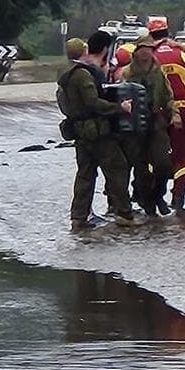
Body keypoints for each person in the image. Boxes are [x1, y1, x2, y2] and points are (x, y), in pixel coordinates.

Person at [58, 30, 139, 231]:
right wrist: (120, 108)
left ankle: (79, 217)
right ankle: (124, 213)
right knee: (117, 168)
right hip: (96, 130)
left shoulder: (66, 76)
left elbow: (64, 103)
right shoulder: (83, 75)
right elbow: (94, 103)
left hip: (79, 131)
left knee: (85, 174)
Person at [149, 17, 185, 211]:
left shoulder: (148, 54)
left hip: (158, 110)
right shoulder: (181, 53)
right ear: (168, 32)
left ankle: (154, 195)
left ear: (151, 34)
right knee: (182, 155)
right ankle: (178, 198)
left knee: (153, 155)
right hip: (184, 109)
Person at [119, 36, 176, 216]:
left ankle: (158, 195)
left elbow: (168, 96)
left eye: (149, 49)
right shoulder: (128, 72)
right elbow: (120, 95)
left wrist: (175, 114)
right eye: (143, 48)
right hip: (135, 125)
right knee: (140, 166)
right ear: (137, 51)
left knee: (164, 164)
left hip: (156, 122)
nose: (146, 52)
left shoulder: (159, 72)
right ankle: (146, 202)